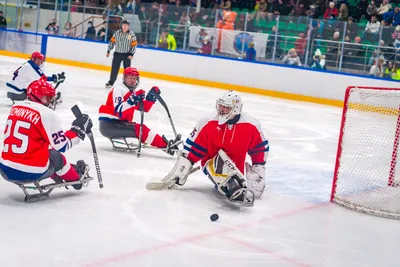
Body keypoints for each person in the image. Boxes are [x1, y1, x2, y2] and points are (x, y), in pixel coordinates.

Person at [159, 90, 268, 206]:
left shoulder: (251, 125)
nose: (222, 110)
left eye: (226, 108)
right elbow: (195, 145)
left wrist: (258, 168)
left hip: (237, 168)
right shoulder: (208, 121)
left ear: (236, 109)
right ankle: (233, 187)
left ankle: (236, 185)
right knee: (226, 175)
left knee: (247, 188)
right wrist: (185, 165)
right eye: (220, 106)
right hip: (212, 162)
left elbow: (259, 148)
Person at [0, 78, 93, 192]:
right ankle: (76, 180)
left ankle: (59, 173)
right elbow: (61, 146)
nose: (50, 101)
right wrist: (77, 130)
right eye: (47, 98)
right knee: (57, 157)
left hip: (4, 169)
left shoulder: (15, 108)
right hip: (29, 171)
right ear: (38, 97)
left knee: (44, 152)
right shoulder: (47, 114)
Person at [99, 67, 180, 154]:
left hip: (118, 124)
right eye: (131, 78)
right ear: (125, 78)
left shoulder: (132, 93)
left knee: (141, 129)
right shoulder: (119, 89)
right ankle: (166, 146)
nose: (133, 80)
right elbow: (118, 109)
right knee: (141, 129)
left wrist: (150, 99)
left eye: (135, 78)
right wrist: (132, 100)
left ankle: (166, 145)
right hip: (109, 125)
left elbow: (144, 108)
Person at [105, 19, 137, 88]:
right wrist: (108, 50)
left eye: (126, 25)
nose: (125, 26)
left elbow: (134, 45)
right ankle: (111, 81)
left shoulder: (132, 34)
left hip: (127, 55)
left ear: (128, 26)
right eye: (123, 25)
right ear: (121, 25)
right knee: (114, 69)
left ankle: (127, 83)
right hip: (117, 54)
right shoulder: (117, 33)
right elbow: (112, 42)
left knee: (127, 70)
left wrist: (131, 54)